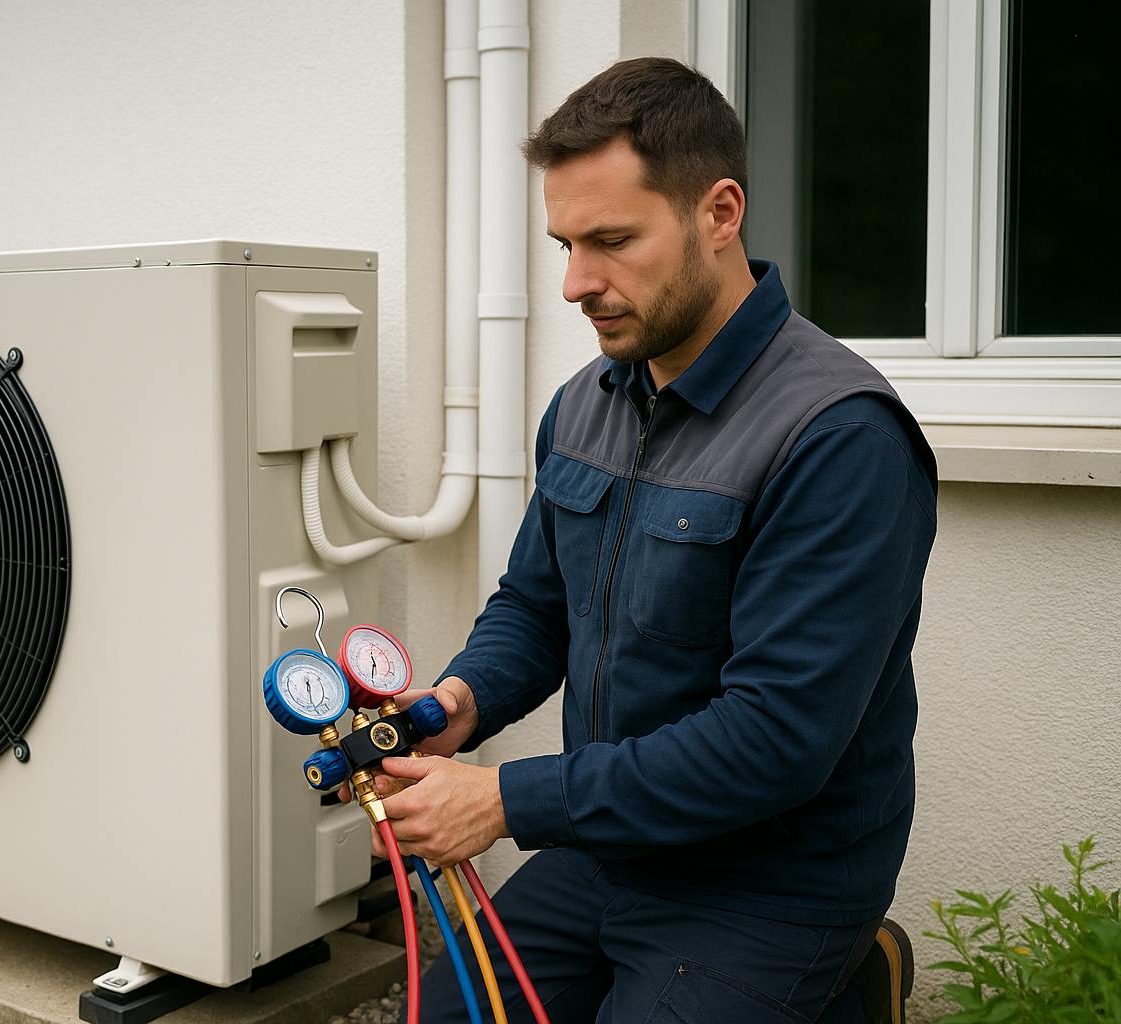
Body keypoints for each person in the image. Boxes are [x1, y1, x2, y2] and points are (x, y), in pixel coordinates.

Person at [368, 57, 937, 1022]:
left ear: (720, 213)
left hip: (772, 881)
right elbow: (536, 605)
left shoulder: (839, 436)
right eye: (564, 244)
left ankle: (852, 975)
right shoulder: (585, 405)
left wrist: (505, 803)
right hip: (612, 844)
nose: (575, 284)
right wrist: (463, 700)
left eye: (613, 241)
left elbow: (774, 742)